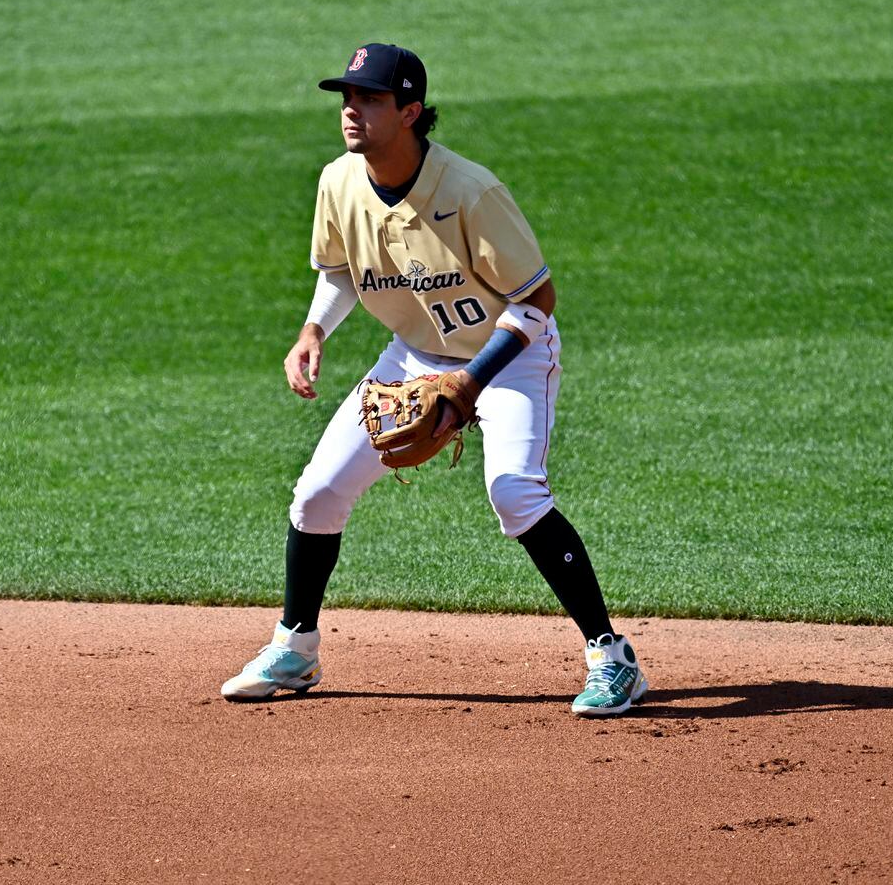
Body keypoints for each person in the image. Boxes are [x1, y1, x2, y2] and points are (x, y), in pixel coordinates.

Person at [220, 43, 647, 717]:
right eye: (346, 97)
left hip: (509, 355)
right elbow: (338, 269)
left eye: (370, 99)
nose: (352, 110)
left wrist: (470, 384)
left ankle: (611, 656)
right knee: (317, 493)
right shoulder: (338, 182)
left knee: (514, 492)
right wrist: (312, 332)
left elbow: (536, 300)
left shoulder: (469, 191)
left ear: (411, 112)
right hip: (417, 353)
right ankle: (296, 646)